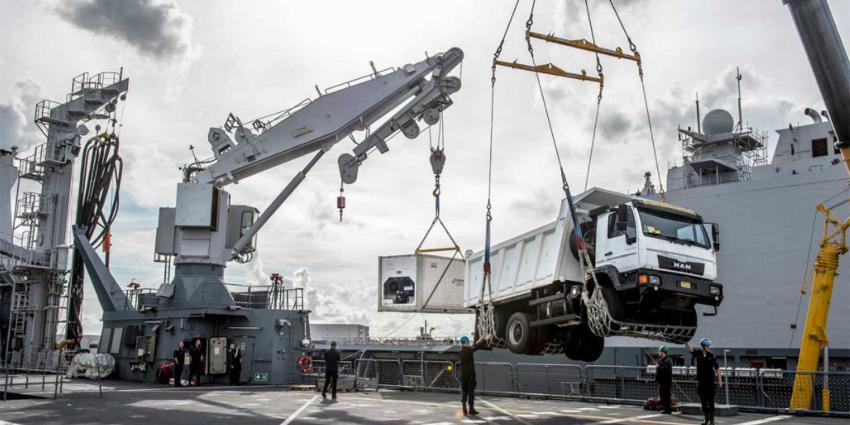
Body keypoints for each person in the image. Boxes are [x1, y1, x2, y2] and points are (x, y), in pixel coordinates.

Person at [686, 338, 723, 425]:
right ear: (703, 346)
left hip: (710, 383)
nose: (708, 347)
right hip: (701, 383)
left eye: (709, 345)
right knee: (703, 402)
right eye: (707, 345)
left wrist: (720, 381)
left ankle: (712, 421)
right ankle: (706, 420)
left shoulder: (711, 355)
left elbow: (717, 368)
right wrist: (686, 342)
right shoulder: (698, 353)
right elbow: (690, 350)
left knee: (711, 401)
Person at [459, 335, 492, 416]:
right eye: (468, 342)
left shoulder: (461, 351)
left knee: (464, 392)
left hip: (463, 375)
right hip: (470, 375)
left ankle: (464, 409)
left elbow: (474, 346)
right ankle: (471, 409)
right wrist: (485, 339)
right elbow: (476, 346)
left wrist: (479, 340)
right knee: (471, 392)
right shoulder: (469, 350)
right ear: (466, 342)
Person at [656, 345, 673, 414]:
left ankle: (667, 409)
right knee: (662, 395)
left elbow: (666, 370)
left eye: (659, 351)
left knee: (666, 395)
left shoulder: (668, 361)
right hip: (661, 381)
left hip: (666, 381)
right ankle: (664, 408)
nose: (658, 353)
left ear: (663, 352)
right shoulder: (660, 360)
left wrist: (658, 367)